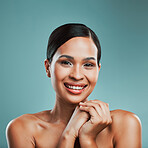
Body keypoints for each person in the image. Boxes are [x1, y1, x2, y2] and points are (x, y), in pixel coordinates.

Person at [6, 23, 142, 148]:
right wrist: (68, 135)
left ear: (98, 69)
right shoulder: (23, 128)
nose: (77, 75)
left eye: (88, 65)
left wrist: (88, 139)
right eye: (66, 62)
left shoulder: (125, 124)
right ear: (48, 68)